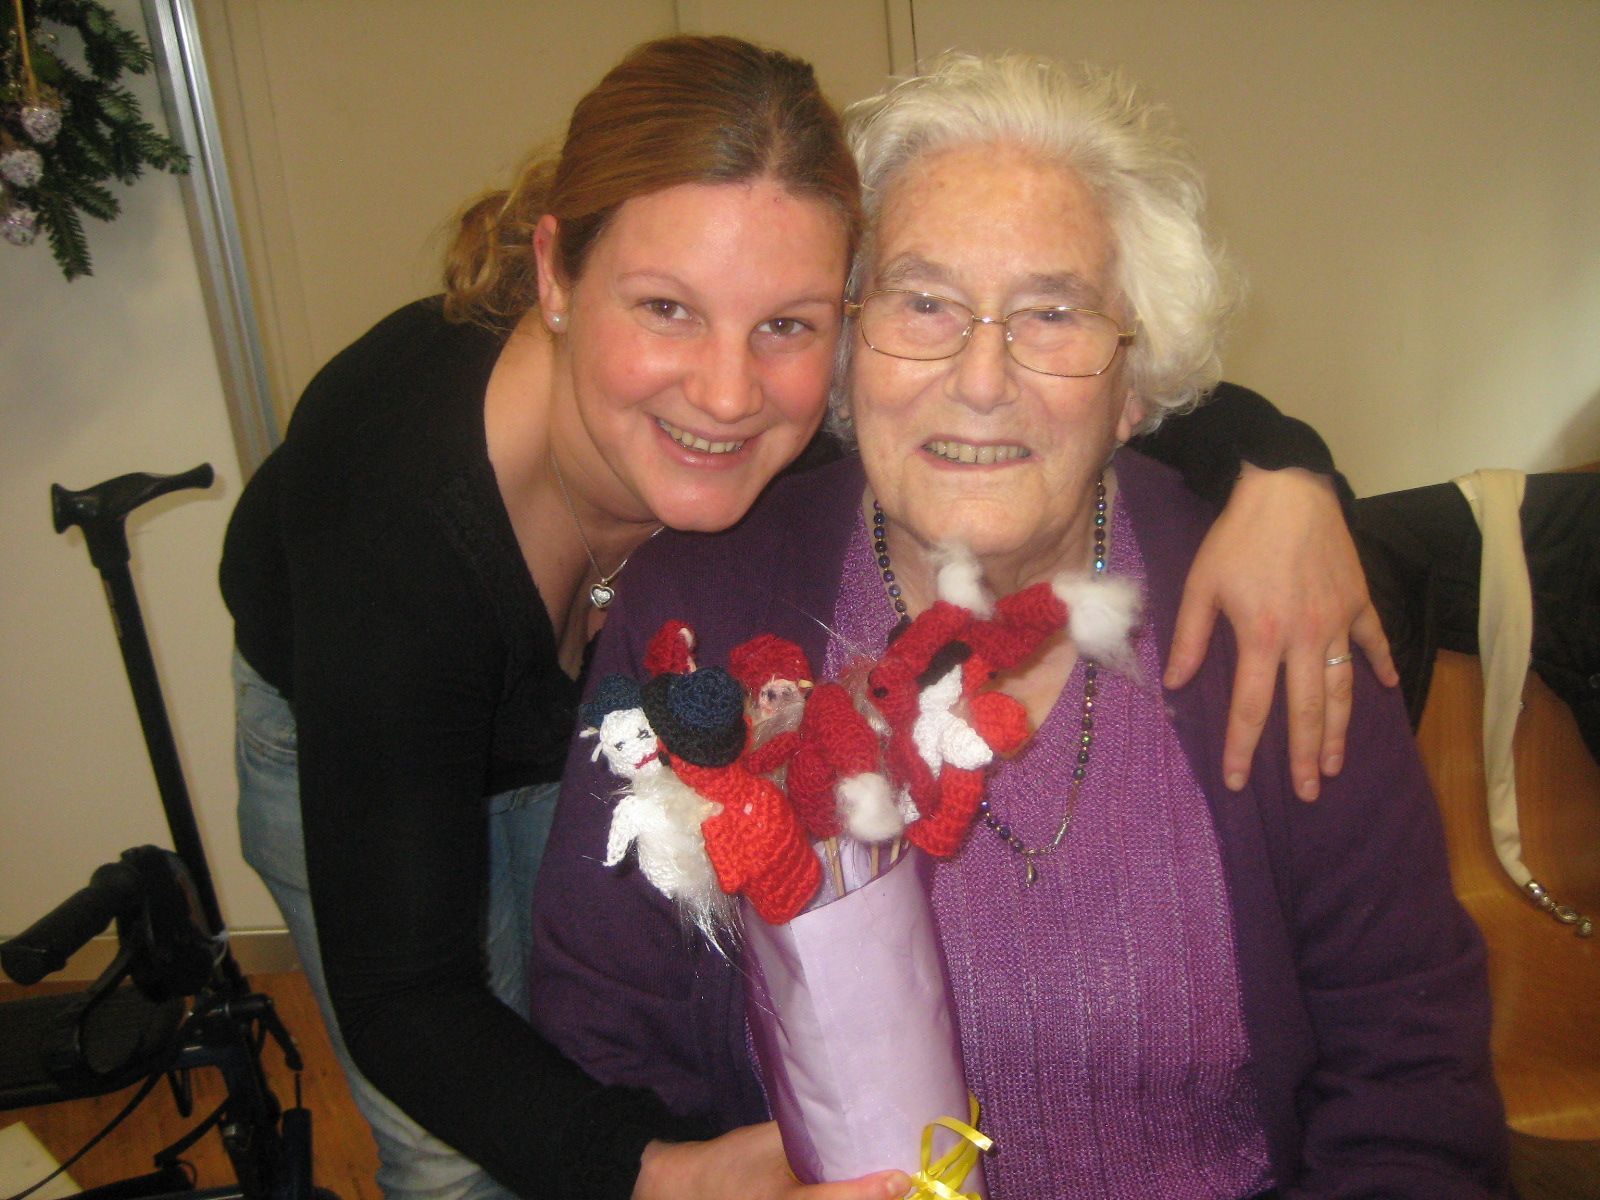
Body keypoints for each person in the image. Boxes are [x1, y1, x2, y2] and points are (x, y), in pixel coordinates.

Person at [222, 34, 1380, 1200]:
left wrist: (1286, 473)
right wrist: (648, 1174)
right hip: (370, 710)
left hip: (617, 676)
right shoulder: (391, 520)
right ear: (557, 275)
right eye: (665, 307)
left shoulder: (832, 387)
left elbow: (1060, 377)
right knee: (461, 1148)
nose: (727, 393)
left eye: (788, 323)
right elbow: (404, 995)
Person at [528, 52, 1506, 1198]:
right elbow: (599, 1035)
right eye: (924, 304)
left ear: (1133, 381)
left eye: (1053, 312)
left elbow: (1408, 1073)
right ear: (845, 348)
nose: (981, 377)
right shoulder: (699, 612)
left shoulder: (1263, 617)